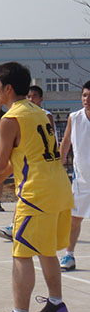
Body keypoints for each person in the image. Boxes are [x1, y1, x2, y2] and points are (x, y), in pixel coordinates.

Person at [0, 62, 73, 312]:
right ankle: (56, 303)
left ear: (8, 88)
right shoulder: (41, 113)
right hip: (59, 187)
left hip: (35, 193)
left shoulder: (10, 119)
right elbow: (17, 163)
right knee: (46, 249)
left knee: (21, 254)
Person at [0, 85, 57, 241]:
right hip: (31, 168)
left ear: (41, 99)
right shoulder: (23, 115)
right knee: (24, 197)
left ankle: (23, 228)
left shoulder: (43, 115)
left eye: (34, 96)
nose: (31, 99)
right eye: (28, 96)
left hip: (41, 168)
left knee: (33, 199)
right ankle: (16, 226)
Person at [58, 80, 90, 272]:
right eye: (84, 95)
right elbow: (66, 143)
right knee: (74, 219)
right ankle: (69, 255)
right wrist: (59, 166)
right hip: (82, 180)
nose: (87, 99)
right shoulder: (75, 118)